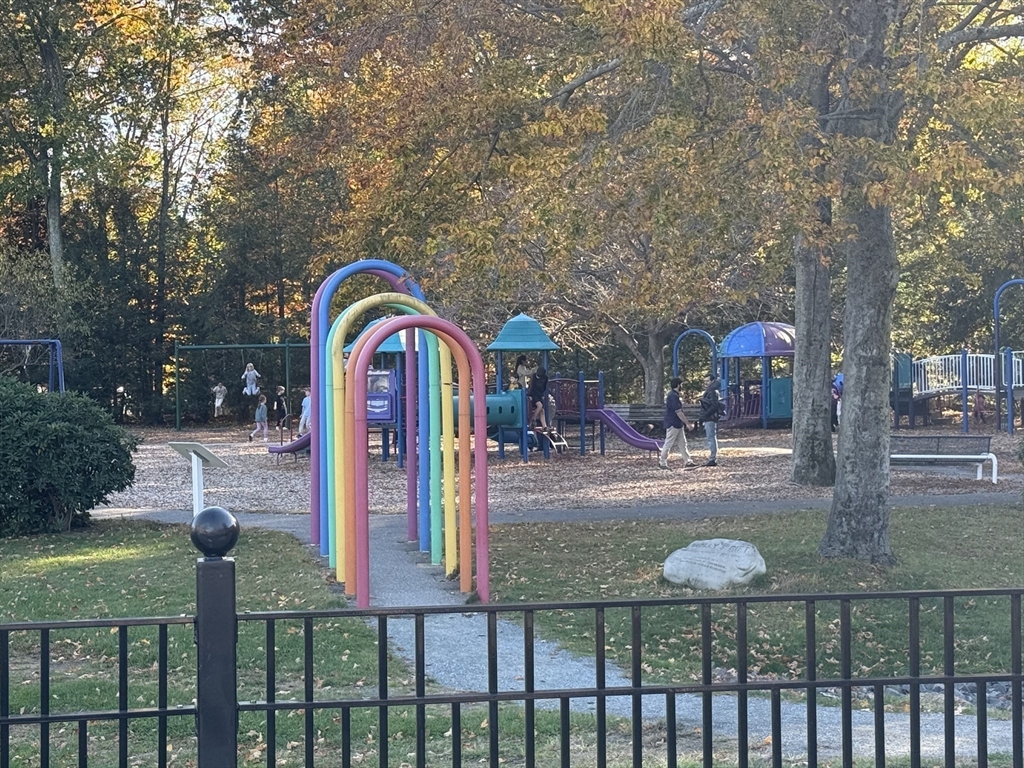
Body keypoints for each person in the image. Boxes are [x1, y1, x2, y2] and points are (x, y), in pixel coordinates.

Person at [659, 377, 696, 470]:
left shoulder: (674, 395)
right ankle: (662, 462)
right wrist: (687, 423)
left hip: (677, 424)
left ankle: (688, 461)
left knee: (682, 443)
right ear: (678, 385)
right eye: (681, 385)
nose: (682, 387)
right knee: (668, 443)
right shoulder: (673, 396)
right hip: (673, 423)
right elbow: (678, 412)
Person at [699, 373, 723, 466]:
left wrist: (705, 414)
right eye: (705, 381)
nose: (706, 383)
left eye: (707, 381)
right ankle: (712, 458)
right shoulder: (711, 390)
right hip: (709, 417)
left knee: (711, 437)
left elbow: (714, 405)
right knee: (711, 437)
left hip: (710, 417)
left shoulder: (712, 391)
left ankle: (713, 458)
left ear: (712, 381)